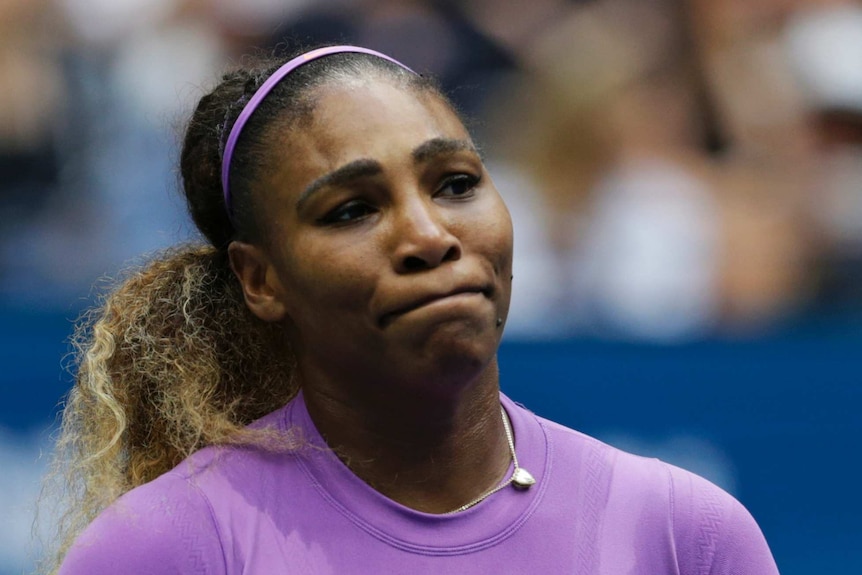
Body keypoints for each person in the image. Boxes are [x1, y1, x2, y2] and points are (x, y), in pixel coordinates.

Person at [49, 45, 779, 574]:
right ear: (260, 279)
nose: (430, 236)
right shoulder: (163, 547)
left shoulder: (687, 534)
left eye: (456, 183)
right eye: (353, 209)